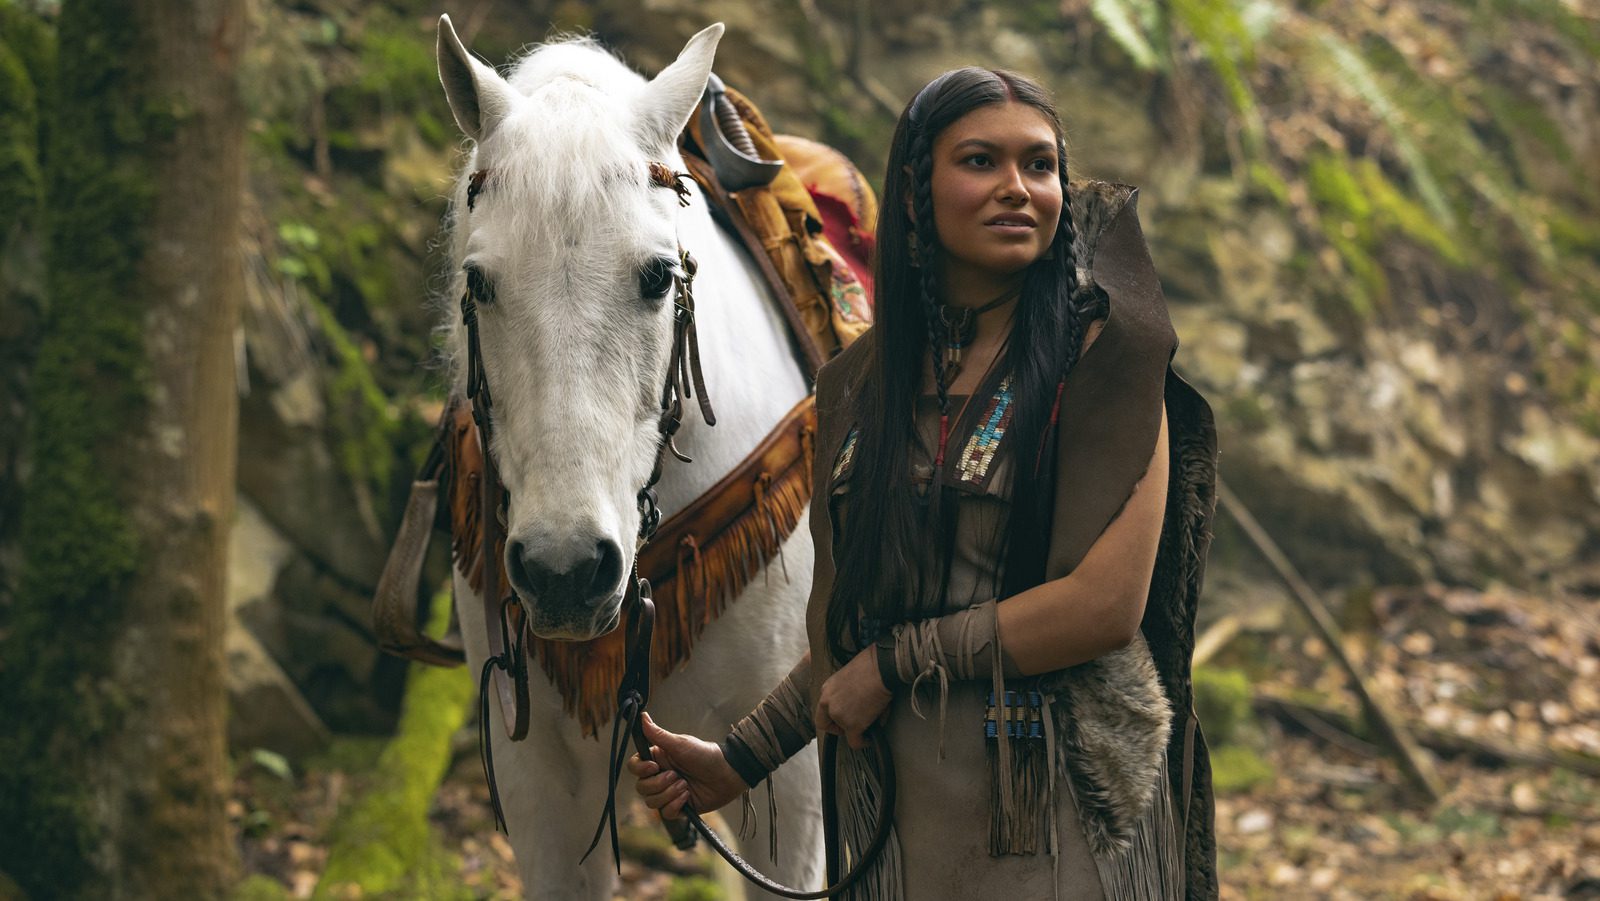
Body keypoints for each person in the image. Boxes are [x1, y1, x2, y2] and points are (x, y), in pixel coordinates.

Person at [629, 67, 1220, 900]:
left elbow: (1102, 606)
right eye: (981, 161)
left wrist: (898, 663)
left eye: (1040, 165)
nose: (1018, 189)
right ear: (914, 194)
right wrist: (740, 760)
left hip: (1062, 822)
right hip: (895, 830)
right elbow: (851, 626)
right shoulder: (856, 387)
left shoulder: (1110, 363)